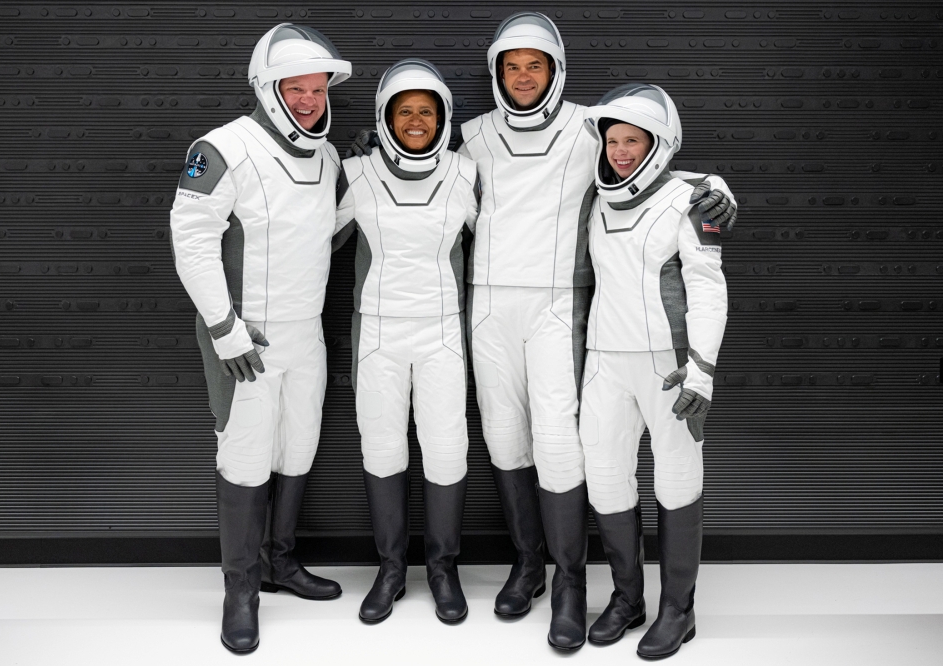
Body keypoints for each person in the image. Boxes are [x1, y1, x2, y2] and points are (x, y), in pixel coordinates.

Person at [348, 11, 736, 651]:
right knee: (504, 437)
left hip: (557, 305)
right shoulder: (471, 137)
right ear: (497, 73)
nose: (523, 76)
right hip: (486, 307)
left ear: (555, 70)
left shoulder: (591, 129)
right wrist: (369, 145)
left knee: (558, 441)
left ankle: (569, 585)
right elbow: (414, 158)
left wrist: (715, 188)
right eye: (512, 66)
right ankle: (529, 564)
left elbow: (655, 165)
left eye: (535, 65)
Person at [169, 24, 351, 654]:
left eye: (318, 90)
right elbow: (191, 239)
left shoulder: (327, 158)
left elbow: (327, 232)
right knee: (245, 457)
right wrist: (225, 328)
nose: (309, 101)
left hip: (307, 333)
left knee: (297, 448)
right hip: (244, 339)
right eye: (295, 88)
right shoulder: (222, 148)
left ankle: (278, 562)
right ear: (267, 88)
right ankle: (240, 589)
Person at [580, 84, 727, 659]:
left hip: (670, 367)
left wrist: (702, 372)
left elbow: (708, 291)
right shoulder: (596, 200)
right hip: (604, 362)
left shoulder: (690, 199)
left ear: (659, 144)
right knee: (606, 477)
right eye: (612, 141)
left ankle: (678, 610)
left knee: (677, 480)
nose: (620, 152)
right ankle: (627, 599)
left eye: (632, 141)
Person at [333, 59, 479, 625]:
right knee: (382, 447)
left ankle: (442, 569)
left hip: (442, 333)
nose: (415, 120)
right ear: (385, 118)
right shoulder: (356, 173)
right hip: (378, 334)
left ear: (442, 118)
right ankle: (391, 569)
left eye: (426, 111)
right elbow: (306, 236)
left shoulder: (467, 174)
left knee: (446, 449)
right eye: (404, 111)